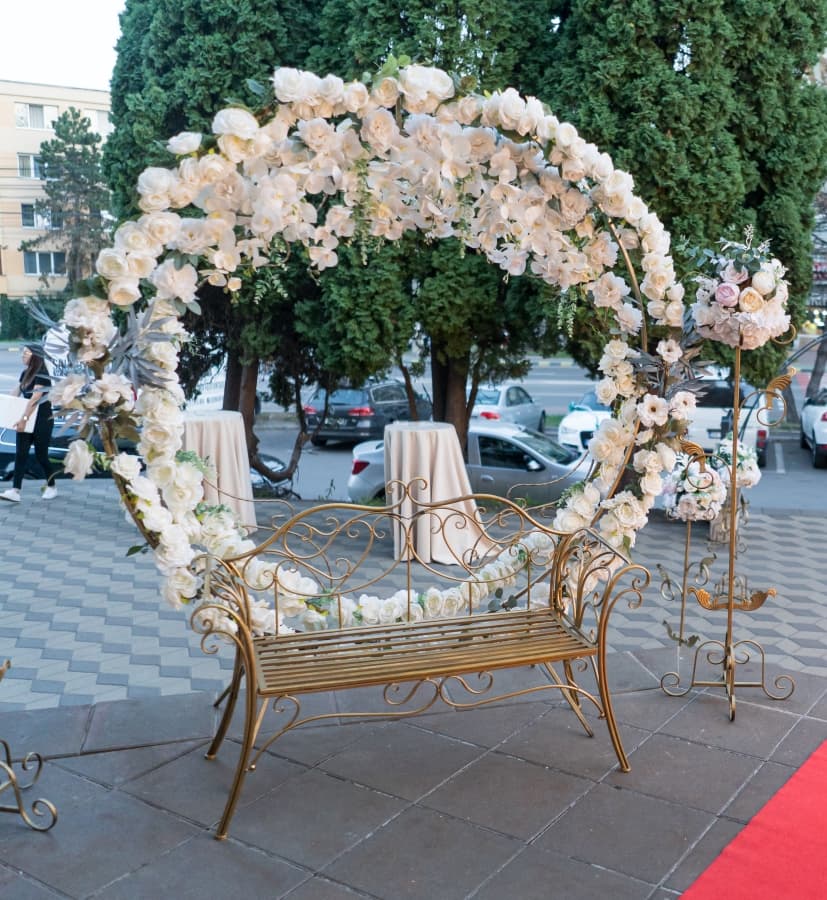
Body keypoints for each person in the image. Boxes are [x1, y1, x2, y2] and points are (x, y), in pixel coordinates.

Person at [1, 343, 58, 502]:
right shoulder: (25, 373)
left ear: (35, 356)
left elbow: (34, 398)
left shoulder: (42, 375)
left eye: (26, 353)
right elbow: (16, 392)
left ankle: (52, 486)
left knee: (41, 456)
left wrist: (23, 419)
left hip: (42, 420)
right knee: (20, 454)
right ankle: (15, 491)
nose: (23, 356)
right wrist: (5, 404)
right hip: (27, 418)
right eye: (23, 353)